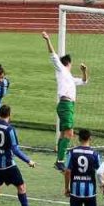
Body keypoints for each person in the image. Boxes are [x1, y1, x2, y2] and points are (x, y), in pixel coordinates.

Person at [41, 32, 88, 171]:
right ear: (69, 63)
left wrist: (85, 71)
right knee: (69, 133)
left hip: (68, 106)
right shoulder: (61, 69)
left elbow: (84, 81)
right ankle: (60, 160)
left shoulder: (70, 77)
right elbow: (53, 55)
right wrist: (48, 39)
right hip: (65, 105)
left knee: (63, 134)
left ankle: (59, 160)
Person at [63, 128, 101, 206]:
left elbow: (67, 171)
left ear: (78, 138)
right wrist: (103, 187)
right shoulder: (95, 154)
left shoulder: (72, 152)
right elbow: (99, 171)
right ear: (90, 139)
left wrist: (67, 187)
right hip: (90, 191)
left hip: (75, 190)